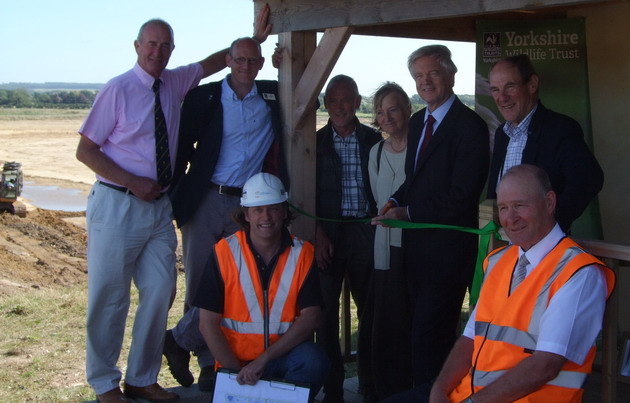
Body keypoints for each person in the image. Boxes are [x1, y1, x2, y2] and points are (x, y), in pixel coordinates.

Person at [76, 9, 272, 402]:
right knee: (110, 297)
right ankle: (103, 383)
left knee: (161, 290)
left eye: (165, 46)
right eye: (151, 44)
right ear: (137, 47)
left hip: (158, 208)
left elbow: (218, 62)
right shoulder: (118, 89)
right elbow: (86, 150)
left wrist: (255, 38)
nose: (157, 52)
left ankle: (142, 378)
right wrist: (134, 182)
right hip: (118, 203)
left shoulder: (175, 82)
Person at [164, 34, 289, 389]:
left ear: (261, 64)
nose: (246, 67)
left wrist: (287, 62)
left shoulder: (271, 95)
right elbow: (180, 147)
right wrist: (180, 192)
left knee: (237, 284)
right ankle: (207, 364)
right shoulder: (205, 97)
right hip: (206, 199)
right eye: (239, 60)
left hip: (246, 206)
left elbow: (300, 88)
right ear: (228, 61)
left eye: (253, 61)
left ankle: (180, 341)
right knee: (201, 282)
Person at [429, 164, 615, 403]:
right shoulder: (498, 261)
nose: (510, 218)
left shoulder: (579, 273)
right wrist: (438, 392)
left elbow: (545, 366)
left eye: (519, 205)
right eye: (503, 208)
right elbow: (469, 338)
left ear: (549, 202)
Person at [373, 44, 489, 398]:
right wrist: (396, 198)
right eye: (418, 76)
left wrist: (407, 213)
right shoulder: (420, 120)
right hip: (416, 254)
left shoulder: (470, 126)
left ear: (451, 74)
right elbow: (416, 180)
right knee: (420, 335)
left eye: (432, 74)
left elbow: (461, 196)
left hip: (448, 255)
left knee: (430, 337)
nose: (425, 82)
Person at [194, 173, 329, 399]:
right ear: (245, 214)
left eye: (273, 208)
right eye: (257, 209)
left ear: (284, 212)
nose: (265, 216)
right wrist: (236, 374)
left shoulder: (303, 253)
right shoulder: (224, 253)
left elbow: (311, 318)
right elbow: (207, 324)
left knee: (314, 360)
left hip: (281, 358)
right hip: (235, 363)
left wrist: (262, 361)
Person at [315, 74, 382, 403]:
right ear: (325, 104)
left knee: (370, 311)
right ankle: (333, 390)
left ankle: (370, 386)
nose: (339, 107)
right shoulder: (313, 143)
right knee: (324, 313)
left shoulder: (373, 140)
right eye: (333, 100)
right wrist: (317, 232)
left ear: (358, 102)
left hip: (365, 231)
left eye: (346, 100)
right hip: (328, 232)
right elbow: (303, 190)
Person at [486, 54, 604, 233]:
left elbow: (590, 179)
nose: (502, 97)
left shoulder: (560, 129)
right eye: (495, 89)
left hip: (544, 250)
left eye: (509, 86)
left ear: (532, 84)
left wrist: (550, 222)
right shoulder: (502, 134)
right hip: (502, 245)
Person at [364, 82, 413, 400]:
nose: (386, 117)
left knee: (411, 319)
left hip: (415, 250)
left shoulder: (423, 148)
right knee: (386, 322)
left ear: (408, 109)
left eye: (393, 109)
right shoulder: (376, 153)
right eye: (380, 111)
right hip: (384, 251)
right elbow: (377, 198)